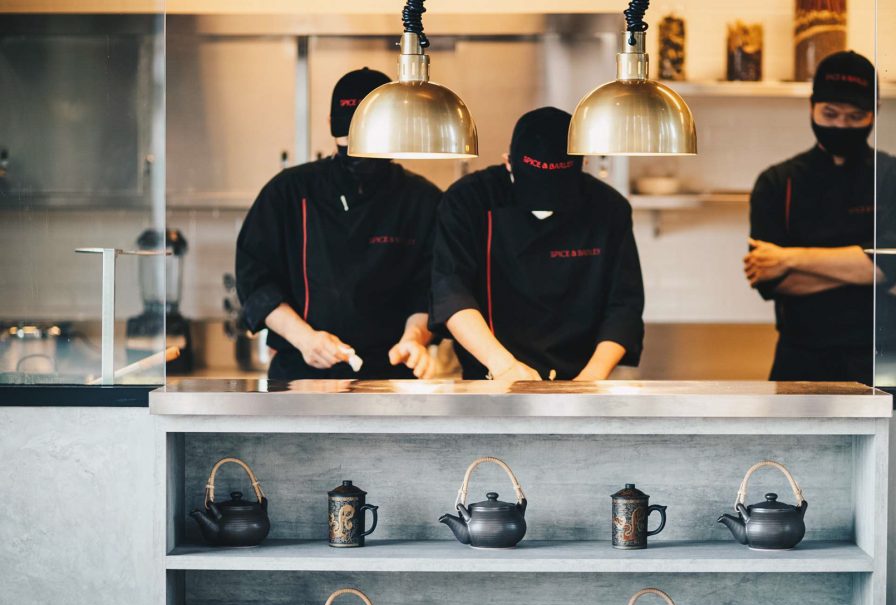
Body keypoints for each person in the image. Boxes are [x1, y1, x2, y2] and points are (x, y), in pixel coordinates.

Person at [236, 68, 442, 381]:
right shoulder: (287, 193)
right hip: (301, 376)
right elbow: (254, 281)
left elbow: (432, 288)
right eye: (350, 137)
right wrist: (305, 339)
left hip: (392, 378)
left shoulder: (423, 201)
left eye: (370, 138)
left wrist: (414, 339)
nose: (359, 150)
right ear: (331, 125)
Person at [744, 51, 896, 385]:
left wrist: (787, 258)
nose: (841, 125)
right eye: (830, 113)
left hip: (882, 363)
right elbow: (771, 280)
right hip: (800, 362)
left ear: (875, 112)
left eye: (855, 116)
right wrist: (879, 278)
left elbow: (887, 266)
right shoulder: (776, 182)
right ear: (811, 107)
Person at [430, 107, 645, 381]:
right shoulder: (468, 200)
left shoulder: (609, 208)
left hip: (582, 378)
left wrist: (590, 379)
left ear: (584, 163)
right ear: (508, 162)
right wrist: (503, 365)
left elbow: (624, 305)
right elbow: (450, 290)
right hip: (492, 378)